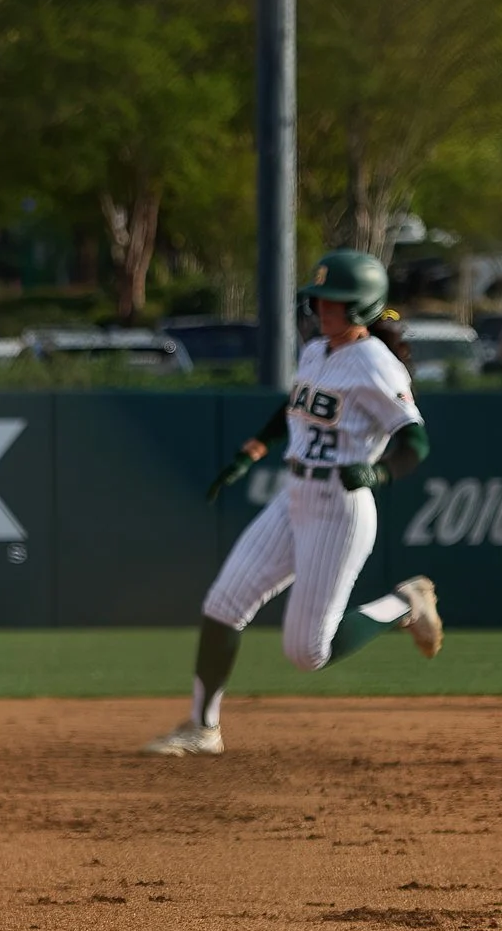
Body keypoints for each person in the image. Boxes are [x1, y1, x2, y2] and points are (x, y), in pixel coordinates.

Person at [143, 251, 443, 756]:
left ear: (363, 306)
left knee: (307, 653)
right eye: (320, 298)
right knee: (222, 604)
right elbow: (294, 406)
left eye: (337, 301)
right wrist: (250, 453)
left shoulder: (375, 364)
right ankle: (203, 728)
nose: (324, 308)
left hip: (339, 508)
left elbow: (416, 441)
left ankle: (404, 604)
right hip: (294, 495)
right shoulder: (316, 351)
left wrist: (379, 471)